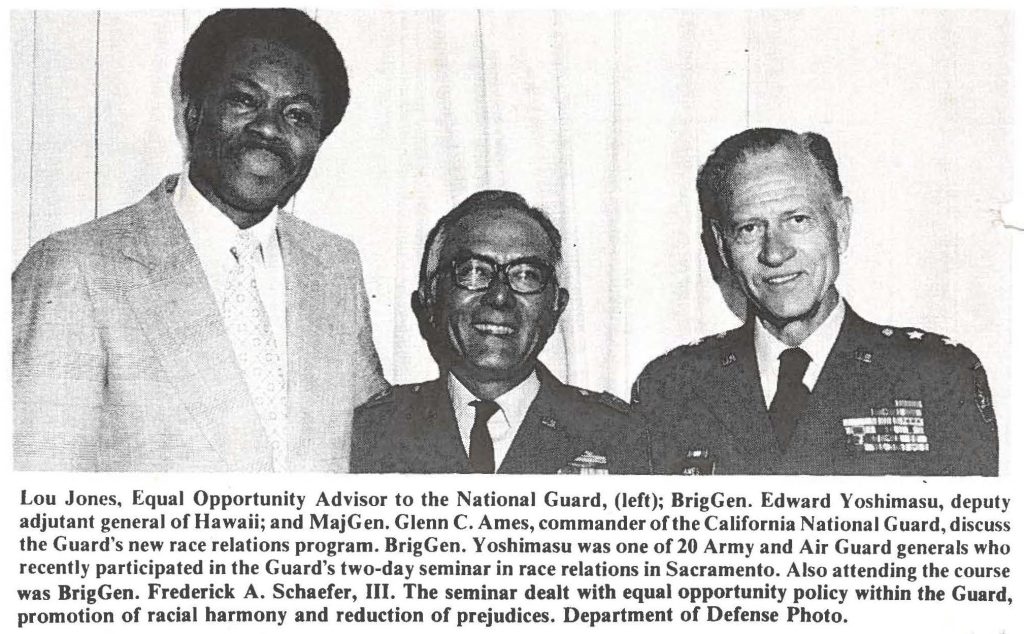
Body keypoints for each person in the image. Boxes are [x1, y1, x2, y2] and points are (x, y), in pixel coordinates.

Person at [13, 9, 385, 471]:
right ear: (193, 113)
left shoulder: (335, 266)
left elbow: (368, 456)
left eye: (297, 115)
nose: (268, 128)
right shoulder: (75, 268)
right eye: (244, 101)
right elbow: (37, 492)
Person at [632, 128, 997, 475]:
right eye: (749, 228)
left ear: (841, 224)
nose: (775, 253)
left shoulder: (938, 377)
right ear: (722, 247)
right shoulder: (672, 388)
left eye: (798, 219)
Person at [352, 190, 639, 474]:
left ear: (557, 306)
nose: (500, 296)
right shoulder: (371, 434)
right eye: (473, 271)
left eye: (527, 275)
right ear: (430, 298)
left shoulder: (621, 436)